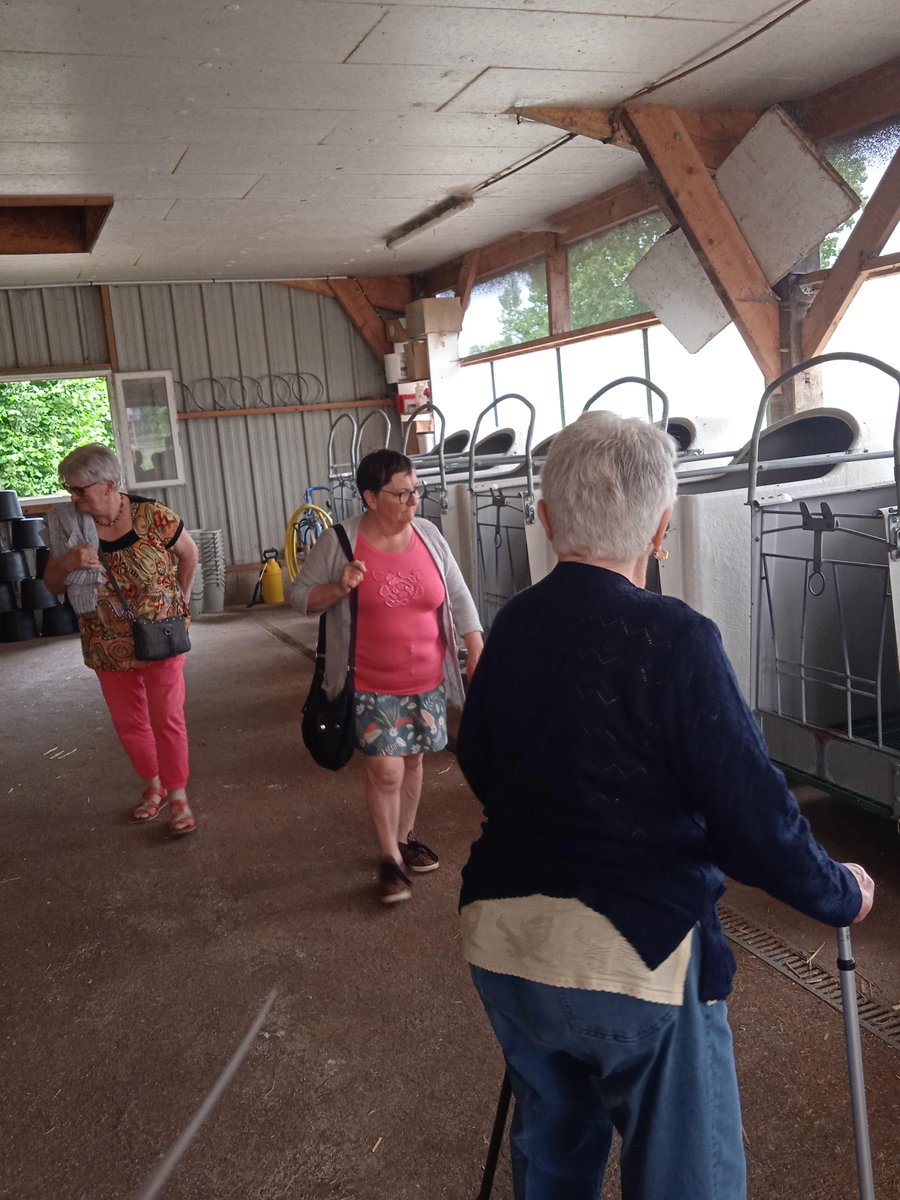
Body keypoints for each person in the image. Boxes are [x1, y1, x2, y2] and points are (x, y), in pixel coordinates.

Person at [456, 411, 874, 1200]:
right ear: (663, 527)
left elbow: (481, 762)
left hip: (503, 941)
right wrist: (837, 890)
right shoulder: (676, 637)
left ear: (543, 523)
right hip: (633, 954)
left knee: (550, 1160)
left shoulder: (511, 628)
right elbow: (752, 815)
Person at [291, 448, 484, 904]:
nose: (413, 501)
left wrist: (475, 647)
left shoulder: (430, 536)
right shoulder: (341, 542)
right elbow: (299, 598)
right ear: (371, 498)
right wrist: (339, 587)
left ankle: (405, 836)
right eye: (403, 494)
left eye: (416, 491)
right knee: (387, 769)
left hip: (427, 679)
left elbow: (458, 594)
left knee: (414, 761)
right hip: (371, 684)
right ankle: (389, 860)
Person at [43, 444, 200, 837]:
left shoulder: (153, 515)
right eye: (69, 488)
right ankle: (154, 784)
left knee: (167, 718)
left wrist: (180, 603)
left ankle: (178, 796)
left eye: (80, 489)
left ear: (109, 484)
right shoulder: (71, 526)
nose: (73, 497)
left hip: (161, 636)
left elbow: (189, 555)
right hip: (105, 643)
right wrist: (68, 563)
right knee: (130, 723)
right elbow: (50, 583)